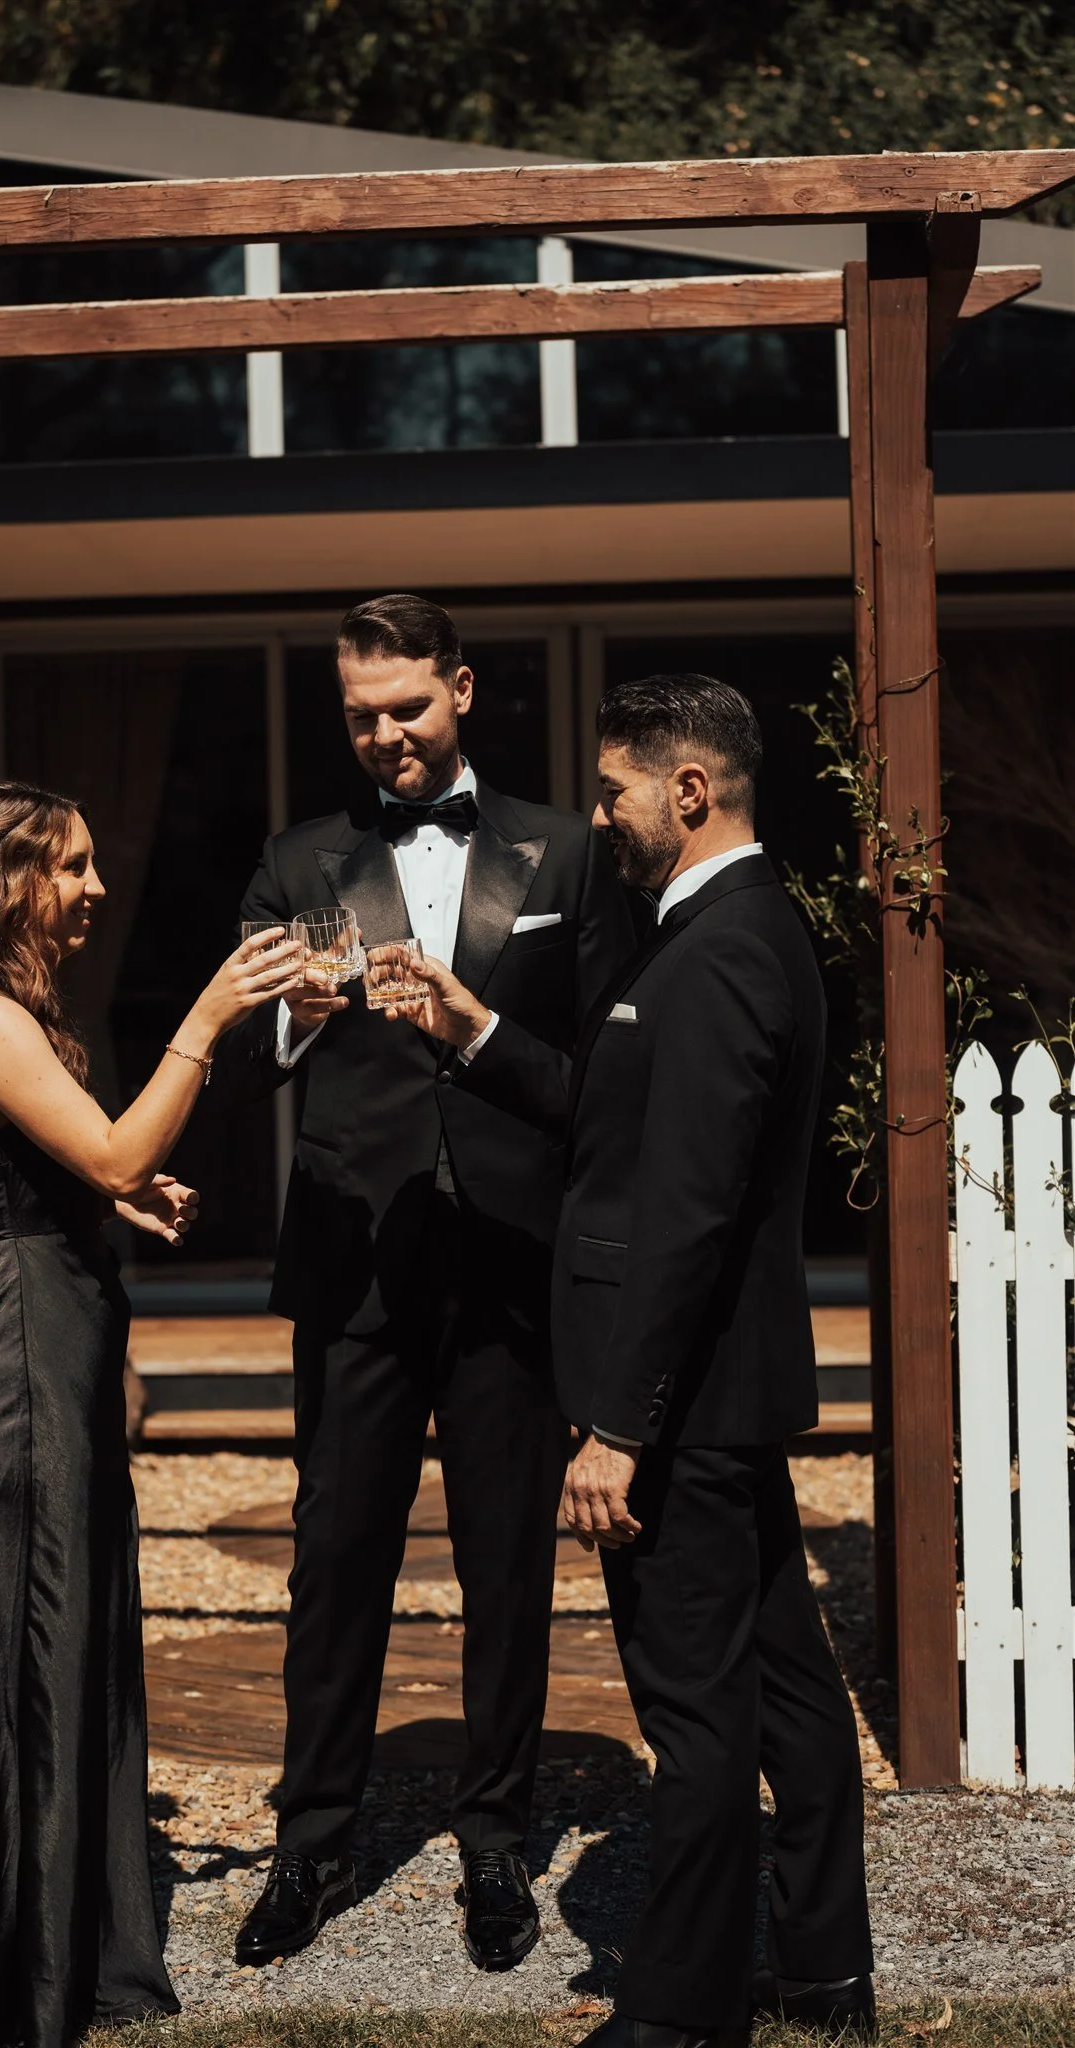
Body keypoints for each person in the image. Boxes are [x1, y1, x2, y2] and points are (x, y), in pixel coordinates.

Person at [387, 675, 874, 2048]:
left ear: (689, 790)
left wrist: (617, 1426)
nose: (596, 816)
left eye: (613, 792)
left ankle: (681, 2011)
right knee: (789, 1689)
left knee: (697, 1715)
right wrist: (473, 1029)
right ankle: (825, 1977)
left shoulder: (722, 951)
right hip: (715, 1396)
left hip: (680, 1406)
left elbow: (687, 1212)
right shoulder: (719, 933)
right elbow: (612, 1119)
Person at [217, 594, 634, 1973]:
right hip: (355, 1270)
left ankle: (497, 1834)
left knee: (508, 1562)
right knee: (336, 1561)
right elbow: (237, 1057)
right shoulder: (301, 859)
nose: (386, 733)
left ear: (459, 688)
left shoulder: (567, 850)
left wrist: (480, 1025)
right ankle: (311, 1840)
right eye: (361, 715)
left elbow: (599, 1080)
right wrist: (293, 1019)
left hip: (511, 1263)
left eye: (406, 706)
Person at [0, 782, 302, 2048]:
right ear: (2, 878)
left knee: (63, 1653)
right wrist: (207, 1018)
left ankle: (63, 1948)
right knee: (23, 1663)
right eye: (72, 865)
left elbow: (64, 1172)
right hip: (23, 1375)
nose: (97, 886)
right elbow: (107, 1148)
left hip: (57, 1354)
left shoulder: (7, 1010)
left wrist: (119, 1199)